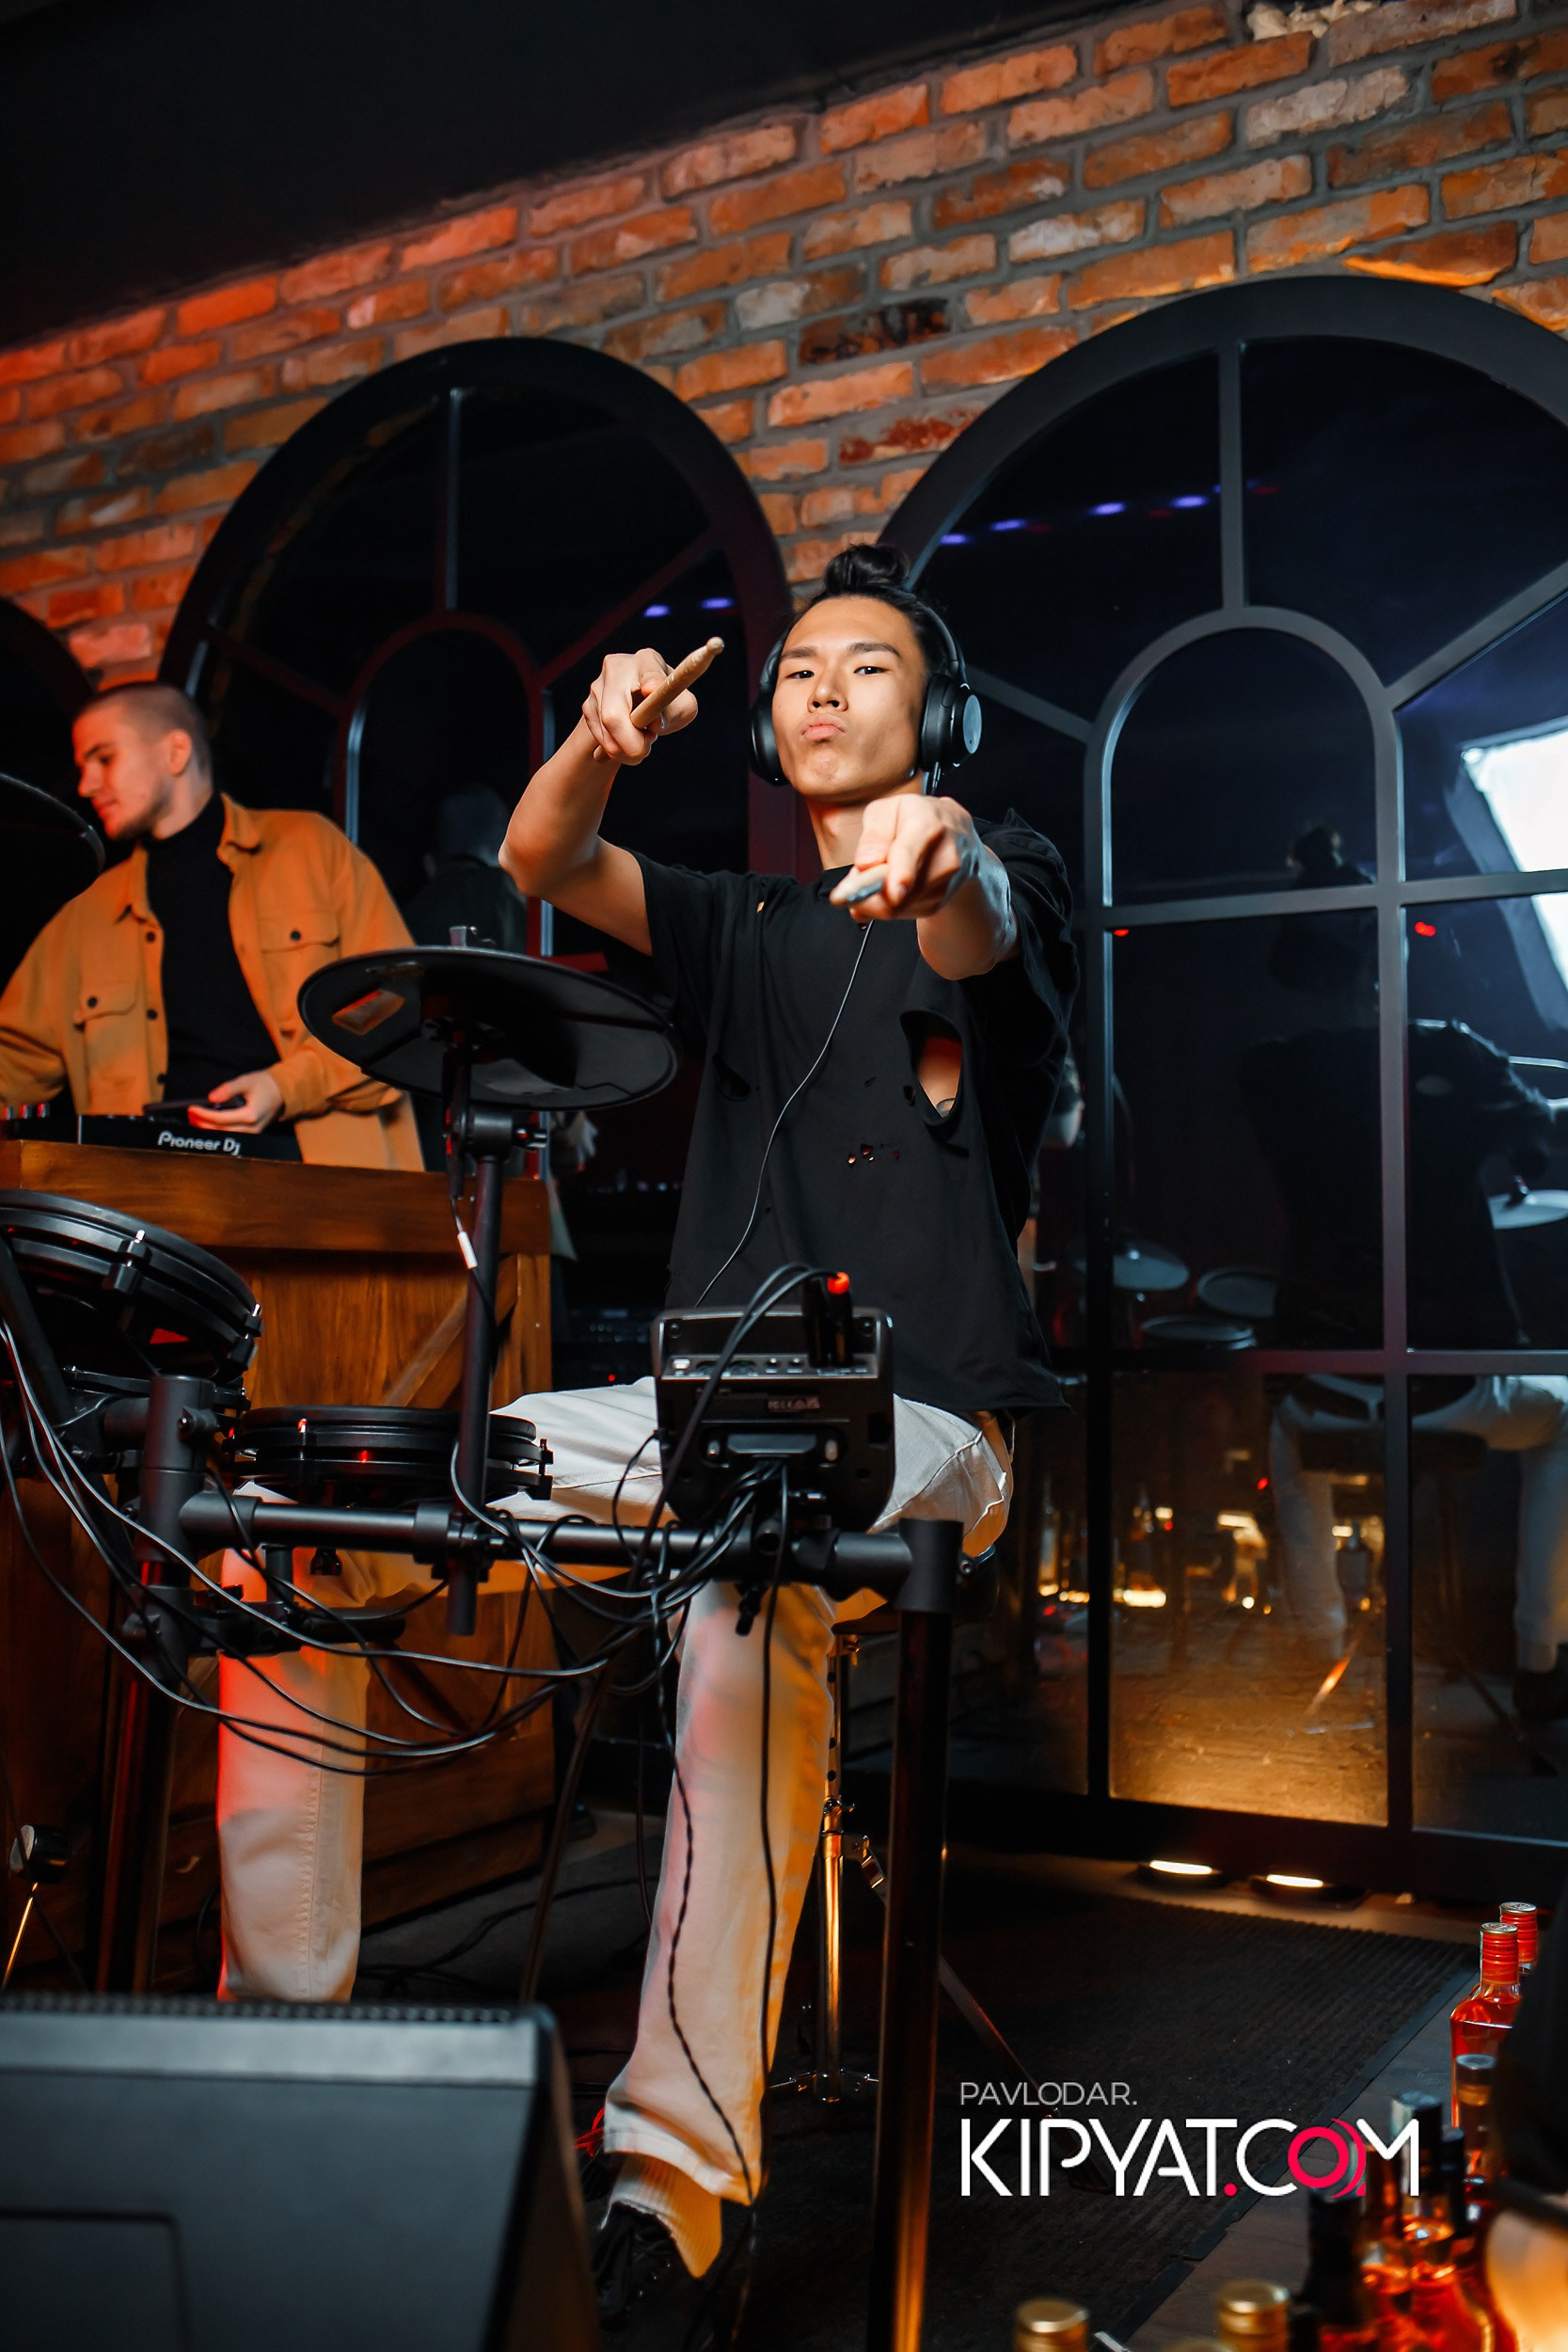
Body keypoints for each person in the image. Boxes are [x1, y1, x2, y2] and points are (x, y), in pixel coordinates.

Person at [211, 546, 1075, 2349]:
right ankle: (269, 2063)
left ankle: (674, 2191)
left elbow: (979, 917)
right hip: (706, 1418)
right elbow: (543, 860)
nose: (820, 687)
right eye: (798, 669)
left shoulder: (1000, 873)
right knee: (306, 1508)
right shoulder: (728, 922)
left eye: (867, 666)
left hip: (929, 1430)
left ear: (940, 717)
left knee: (747, 1573)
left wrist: (945, 849)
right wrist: (596, 746)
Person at [1244, 830, 1568, 1718]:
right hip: (1444, 1388)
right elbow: (1539, 1134)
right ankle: (1541, 1658)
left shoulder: (1266, 1076)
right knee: (1565, 1417)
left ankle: (1315, 1643)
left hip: (1327, 1387)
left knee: (1285, 1432)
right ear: (1379, 955)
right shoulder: (1450, 1054)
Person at [0, 682, 420, 1168]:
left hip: (320, 1182)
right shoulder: (87, 914)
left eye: (105, 758)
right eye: (82, 767)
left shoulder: (309, 850)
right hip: (149, 1196)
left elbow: (397, 1008)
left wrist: (283, 1088)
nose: (86, 785)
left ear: (175, 752)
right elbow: (13, 1058)